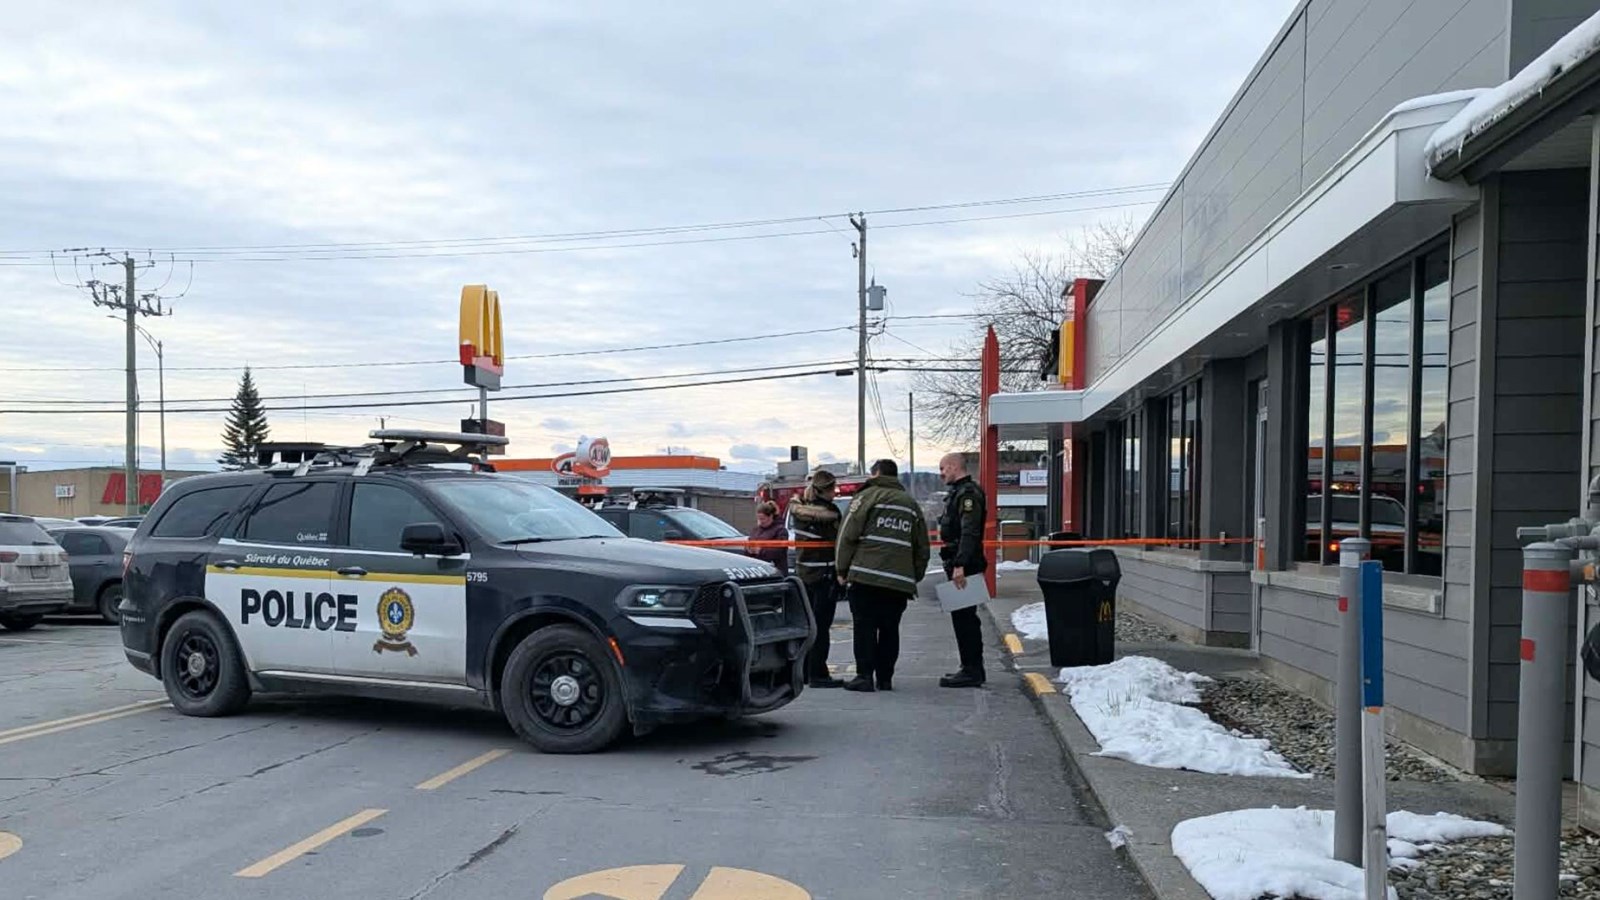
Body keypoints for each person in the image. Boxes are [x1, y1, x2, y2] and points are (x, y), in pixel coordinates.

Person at [835, 458, 930, 693]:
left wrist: (841, 569)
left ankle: (864, 677)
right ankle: (885, 678)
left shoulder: (866, 497)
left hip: (865, 577)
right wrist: (913, 575)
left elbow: (847, 535)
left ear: (876, 473)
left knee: (864, 627)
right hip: (898, 582)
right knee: (890, 629)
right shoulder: (911, 504)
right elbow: (922, 547)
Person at [937, 452, 988, 688]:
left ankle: (972, 670)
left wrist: (960, 564)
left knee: (966, 619)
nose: (941, 474)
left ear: (954, 466)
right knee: (961, 618)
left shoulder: (968, 494)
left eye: (943, 469)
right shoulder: (958, 493)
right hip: (958, 562)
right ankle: (969, 667)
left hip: (964, 565)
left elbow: (969, 531)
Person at [789, 469, 844, 688]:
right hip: (824, 574)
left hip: (804, 574)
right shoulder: (830, 513)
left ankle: (803, 671)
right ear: (826, 490)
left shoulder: (798, 511)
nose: (835, 493)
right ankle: (818, 673)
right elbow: (840, 541)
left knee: (807, 625)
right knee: (821, 627)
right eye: (833, 489)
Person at [746, 500, 788, 575]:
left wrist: (760, 551)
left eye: (763, 519)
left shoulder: (781, 531)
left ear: (771, 516)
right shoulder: (755, 530)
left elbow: (780, 551)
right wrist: (748, 549)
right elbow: (748, 543)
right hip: (757, 570)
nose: (761, 521)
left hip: (775, 571)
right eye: (759, 519)